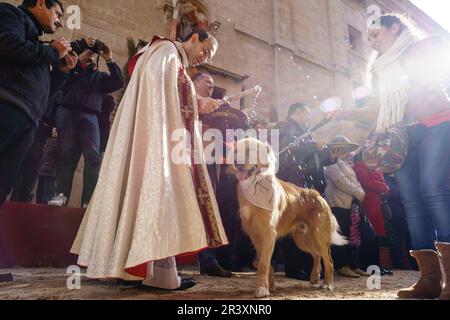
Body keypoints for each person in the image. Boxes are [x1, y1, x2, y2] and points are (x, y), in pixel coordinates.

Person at [70, 30, 228, 291]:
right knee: (158, 197)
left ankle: (136, 270)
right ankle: (156, 275)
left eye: (209, 56)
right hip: (157, 139)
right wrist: (198, 103)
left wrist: (197, 101)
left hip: (151, 136)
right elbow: (165, 94)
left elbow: (167, 92)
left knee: (146, 198)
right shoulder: (166, 54)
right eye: (205, 50)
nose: (204, 57)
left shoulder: (162, 55)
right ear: (194, 38)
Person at [336, 14, 450, 299]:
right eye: (368, 37)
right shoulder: (379, 69)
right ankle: (430, 280)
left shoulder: (422, 47)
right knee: (412, 201)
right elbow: (377, 109)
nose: (371, 41)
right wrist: (346, 112)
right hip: (402, 137)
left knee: (434, 189)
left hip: (438, 123)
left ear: (395, 28)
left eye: (376, 34)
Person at [0, 0, 75, 283]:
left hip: (26, 121)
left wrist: (62, 72)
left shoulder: (38, 44)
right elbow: (6, 44)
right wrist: (51, 51)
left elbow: (47, 91)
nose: (58, 22)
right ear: (41, 3)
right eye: (57, 13)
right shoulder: (9, 14)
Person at [47, 38, 124, 208]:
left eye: (91, 53)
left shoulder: (100, 77)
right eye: (86, 51)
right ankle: (61, 194)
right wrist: (79, 58)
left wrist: (109, 58)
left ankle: (88, 201)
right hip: (67, 112)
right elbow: (58, 71)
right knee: (66, 154)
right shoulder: (69, 70)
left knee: (93, 157)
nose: (90, 55)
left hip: (90, 117)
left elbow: (119, 81)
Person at [276, 103, 327, 281]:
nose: (308, 118)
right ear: (296, 112)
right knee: (292, 223)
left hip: (300, 182)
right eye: (306, 114)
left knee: (300, 224)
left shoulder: (300, 130)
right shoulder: (286, 126)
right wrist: (314, 144)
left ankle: (303, 266)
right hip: (291, 182)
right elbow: (291, 146)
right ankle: (293, 268)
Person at [192, 72, 232, 278]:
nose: (211, 86)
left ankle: (208, 260)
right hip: (186, 161)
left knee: (209, 211)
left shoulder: (217, 109)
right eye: (207, 81)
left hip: (209, 165)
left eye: (213, 84)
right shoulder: (185, 100)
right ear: (195, 83)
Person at [324, 136, 367, 278]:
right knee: (341, 235)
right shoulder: (330, 165)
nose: (345, 151)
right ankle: (342, 265)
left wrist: (359, 191)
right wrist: (359, 192)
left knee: (352, 235)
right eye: (342, 149)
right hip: (337, 203)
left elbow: (354, 181)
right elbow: (341, 182)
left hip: (350, 204)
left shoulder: (346, 164)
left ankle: (353, 264)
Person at [353, 154, 393, 276]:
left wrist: (383, 186)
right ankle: (370, 266)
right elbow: (366, 182)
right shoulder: (359, 166)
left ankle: (377, 265)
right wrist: (383, 187)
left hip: (377, 205)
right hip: (368, 205)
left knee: (376, 238)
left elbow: (381, 181)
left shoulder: (373, 167)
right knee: (369, 236)